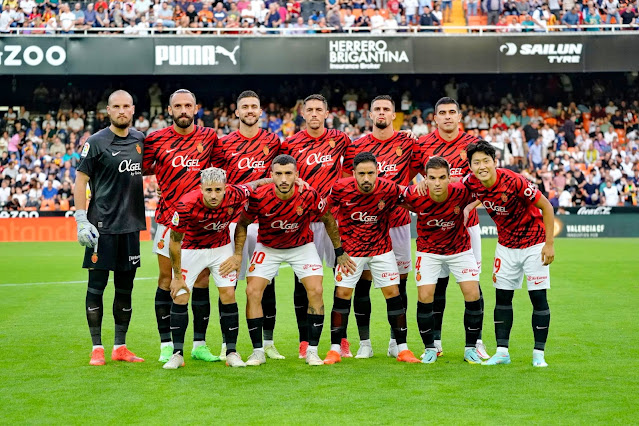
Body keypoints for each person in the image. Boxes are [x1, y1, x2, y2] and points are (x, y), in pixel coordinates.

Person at [232, 154, 353, 366]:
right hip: (268, 247)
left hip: (301, 247)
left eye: (288, 173)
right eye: (278, 174)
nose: (284, 179)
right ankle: (258, 351)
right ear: (271, 176)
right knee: (252, 291)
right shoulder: (259, 196)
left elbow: (328, 220)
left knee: (316, 290)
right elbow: (242, 223)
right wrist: (238, 254)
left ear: (296, 175)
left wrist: (339, 250)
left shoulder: (308, 194)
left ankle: (312, 351)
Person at [162, 167, 273, 369]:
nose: (214, 195)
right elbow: (174, 242)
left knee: (228, 294)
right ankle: (177, 354)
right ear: (201, 188)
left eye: (218, 190)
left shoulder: (235, 193)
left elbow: (256, 184)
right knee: (180, 295)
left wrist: (279, 179)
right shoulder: (186, 204)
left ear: (225, 188)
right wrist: (177, 276)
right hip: (191, 249)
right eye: (209, 190)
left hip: (220, 248)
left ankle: (231, 352)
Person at [143, 89, 220, 364]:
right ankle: (166, 344)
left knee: (201, 281)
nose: (184, 110)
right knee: (167, 280)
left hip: (201, 223)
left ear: (196, 108)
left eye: (188, 105)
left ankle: (199, 344)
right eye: (179, 106)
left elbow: (222, 171)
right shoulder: (155, 139)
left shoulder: (209, 137)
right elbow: (139, 168)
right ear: (169, 109)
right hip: (167, 220)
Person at [463, 141, 555, 367]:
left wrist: (549, 244)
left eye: (486, 161)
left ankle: (538, 354)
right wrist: (468, 206)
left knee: (538, 298)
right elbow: (470, 190)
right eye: (477, 162)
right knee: (502, 299)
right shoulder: (471, 181)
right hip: (505, 246)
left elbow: (547, 207)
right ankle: (502, 352)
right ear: (470, 166)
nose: (482, 166)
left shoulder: (515, 181)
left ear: (495, 162)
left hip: (534, 244)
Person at [324, 152, 421, 365]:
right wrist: (339, 250)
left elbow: (414, 203)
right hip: (351, 253)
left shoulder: (390, 188)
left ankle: (402, 349)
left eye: (370, 173)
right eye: (361, 174)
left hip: (382, 250)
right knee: (342, 294)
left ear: (377, 172)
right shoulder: (340, 188)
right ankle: (334, 349)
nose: (366, 178)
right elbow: (325, 212)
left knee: (393, 293)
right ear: (354, 173)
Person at [73, 90, 146, 366]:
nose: (122, 111)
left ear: (133, 109)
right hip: (100, 228)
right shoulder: (96, 142)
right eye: (116, 106)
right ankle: (97, 348)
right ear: (108, 110)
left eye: (126, 106)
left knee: (125, 290)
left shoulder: (140, 139)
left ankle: (120, 346)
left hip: (131, 228)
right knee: (96, 287)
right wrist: (82, 219)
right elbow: (80, 181)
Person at [341, 95, 417, 359]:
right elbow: (345, 185)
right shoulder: (356, 146)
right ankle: (365, 342)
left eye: (387, 109)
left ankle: (398, 341)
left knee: (399, 285)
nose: (382, 113)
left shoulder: (408, 142)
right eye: (377, 109)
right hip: (364, 226)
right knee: (362, 282)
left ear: (394, 114)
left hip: (398, 224)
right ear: (370, 115)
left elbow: (420, 173)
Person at [414, 97, 488, 360]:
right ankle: (434, 340)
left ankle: (477, 341)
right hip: (434, 228)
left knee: (473, 286)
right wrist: (420, 186)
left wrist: (472, 205)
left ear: (460, 117)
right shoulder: (421, 145)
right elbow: (410, 178)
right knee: (437, 287)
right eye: (442, 113)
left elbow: (488, 180)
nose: (447, 117)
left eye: (452, 112)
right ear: (434, 118)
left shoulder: (473, 145)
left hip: (467, 226)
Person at [211, 90, 283, 361]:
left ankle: (267, 342)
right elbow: (214, 179)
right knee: (226, 283)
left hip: (265, 221)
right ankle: (226, 343)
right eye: (245, 107)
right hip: (231, 221)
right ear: (237, 112)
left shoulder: (273, 141)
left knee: (267, 282)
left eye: (254, 106)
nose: (250, 110)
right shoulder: (224, 143)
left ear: (261, 111)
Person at [279, 93, 352, 359]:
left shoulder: (341, 139)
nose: (313, 114)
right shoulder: (291, 143)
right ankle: (304, 340)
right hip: (304, 221)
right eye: (308, 109)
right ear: (302, 113)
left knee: (342, 280)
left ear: (326, 113)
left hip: (333, 220)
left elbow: (352, 170)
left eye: (318, 110)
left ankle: (340, 339)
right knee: (303, 282)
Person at [403, 156, 483, 364]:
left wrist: (468, 207)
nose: (437, 183)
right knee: (425, 295)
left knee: (473, 293)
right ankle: (430, 348)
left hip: (460, 249)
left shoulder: (462, 191)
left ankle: (471, 348)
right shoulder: (414, 194)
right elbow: (394, 198)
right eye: (432, 178)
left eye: (441, 177)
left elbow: (486, 189)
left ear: (449, 178)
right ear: (425, 179)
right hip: (428, 251)